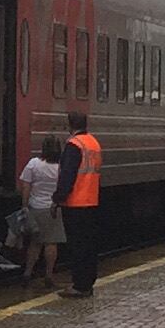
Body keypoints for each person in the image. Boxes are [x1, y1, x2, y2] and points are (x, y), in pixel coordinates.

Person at [59, 110, 104, 296]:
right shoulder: (93, 143)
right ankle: (87, 283)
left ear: (70, 125)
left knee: (77, 246)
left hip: (76, 203)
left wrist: (57, 199)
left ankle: (79, 285)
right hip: (91, 200)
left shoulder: (74, 145)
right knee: (89, 245)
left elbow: (67, 176)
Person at [16, 133, 66, 293]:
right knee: (51, 243)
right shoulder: (60, 167)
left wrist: (25, 205)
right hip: (52, 209)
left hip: (35, 207)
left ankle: (27, 273)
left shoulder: (34, 164)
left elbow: (25, 185)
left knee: (35, 243)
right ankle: (49, 275)